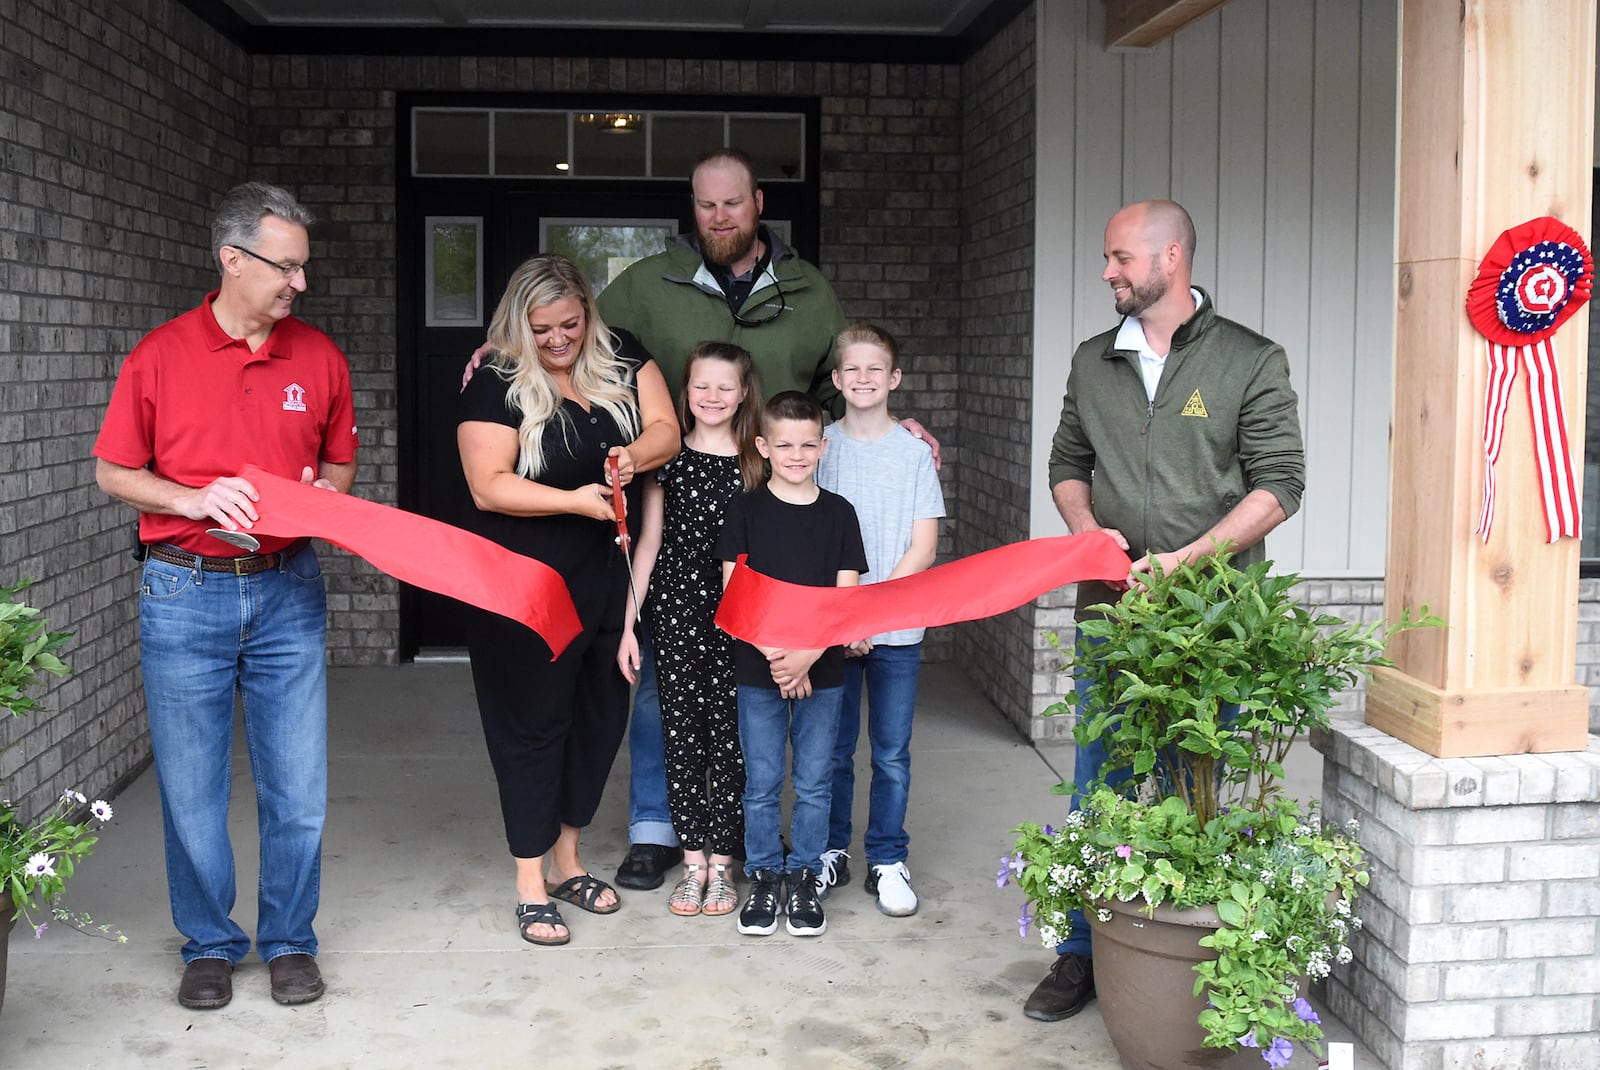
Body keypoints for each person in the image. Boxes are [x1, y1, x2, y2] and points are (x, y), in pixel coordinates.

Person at [464, 148, 942, 893]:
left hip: (767, 493)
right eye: (705, 205)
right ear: (693, 210)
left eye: (733, 203)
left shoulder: (809, 289)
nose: (719, 217)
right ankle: (658, 830)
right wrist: (504, 345)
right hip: (677, 491)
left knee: (744, 687)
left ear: (758, 204)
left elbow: (838, 383)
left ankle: (738, 832)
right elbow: (573, 334)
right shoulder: (646, 283)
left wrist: (889, 421)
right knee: (660, 686)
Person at [1025, 199, 1305, 1021]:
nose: (1107, 271)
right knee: (1099, 782)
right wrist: (1090, 535)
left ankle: (1193, 950)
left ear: (1170, 257)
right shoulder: (1091, 361)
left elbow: (1280, 483)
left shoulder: (1249, 360)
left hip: (1213, 620)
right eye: (1108, 259)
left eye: (1119, 258)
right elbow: (1067, 463)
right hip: (1111, 613)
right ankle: (1081, 954)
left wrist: (1184, 562)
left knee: (1198, 784)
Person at [93, 181, 358, 1010]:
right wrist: (191, 499)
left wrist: (319, 494)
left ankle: (288, 943)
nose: (299, 284)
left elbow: (341, 470)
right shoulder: (159, 356)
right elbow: (112, 471)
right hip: (184, 590)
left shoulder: (319, 358)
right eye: (287, 267)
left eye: (303, 269)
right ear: (232, 260)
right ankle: (209, 943)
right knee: (193, 787)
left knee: (298, 788)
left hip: (287, 589)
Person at [456, 254, 679, 947]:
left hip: (607, 579)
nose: (558, 339)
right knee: (532, 728)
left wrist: (631, 457)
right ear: (518, 324)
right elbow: (488, 486)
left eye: (570, 324)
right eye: (543, 328)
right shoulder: (494, 381)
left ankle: (568, 861)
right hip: (522, 587)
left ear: (588, 309)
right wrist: (576, 502)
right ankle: (529, 880)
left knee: (596, 718)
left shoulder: (620, 359)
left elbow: (667, 431)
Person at [616, 342, 765, 918]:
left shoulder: (759, 462)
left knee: (732, 741)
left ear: (744, 393)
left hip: (738, 617)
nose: (712, 397)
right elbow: (648, 544)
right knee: (680, 739)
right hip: (676, 615)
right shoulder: (667, 460)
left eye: (725, 386)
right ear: (684, 391)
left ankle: (725, 864)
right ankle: (694, 859)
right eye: (701, 386)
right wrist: (628, 626)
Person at [714, 391, 867, 938]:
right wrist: (780, 660)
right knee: (760, 782)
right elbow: (736, 596)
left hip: (822, 672)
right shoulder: (746, 509)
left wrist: (804, 659)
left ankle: (803, 876)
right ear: (763, 446)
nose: (796, 455)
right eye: (784, 445)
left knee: (814, 782)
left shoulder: (839, 514)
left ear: (824, 446)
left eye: (808, 444)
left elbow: (844, 601)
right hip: (759, 669)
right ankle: (762, 876)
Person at [814, 323, 944, 918]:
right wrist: (847, 619)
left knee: (891, 752)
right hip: (834, 630)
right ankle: (830, 848)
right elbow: (808, 539)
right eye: (852, 370)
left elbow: (923, 547)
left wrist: (873, 610)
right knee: (831, 750)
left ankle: (888, 856)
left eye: (876, 370)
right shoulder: (818, 448)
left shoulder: (915, 453)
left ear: (894, 379)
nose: (863, 379)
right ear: (836, 380)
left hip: (897, 630)